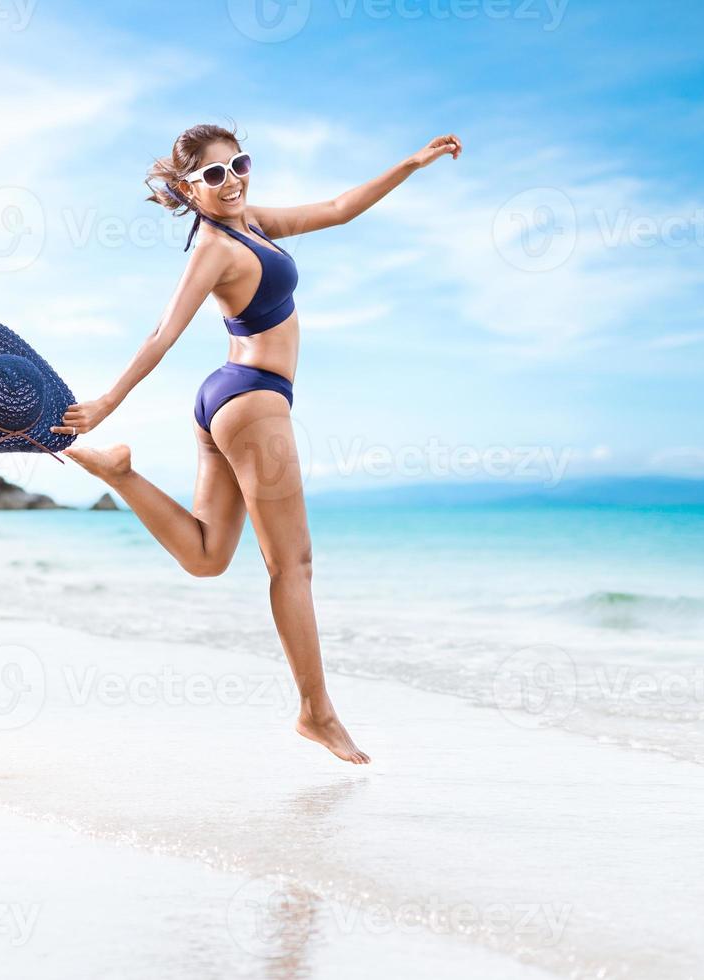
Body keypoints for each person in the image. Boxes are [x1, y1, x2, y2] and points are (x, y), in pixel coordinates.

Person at [51, 123, 462, 764]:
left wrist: (410, 163)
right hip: (254, 403)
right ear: (190, 189)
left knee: (209, 557)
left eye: (238, 164)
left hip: (229, 400)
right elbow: (164, 330)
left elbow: (336, 209)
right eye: (214, 175)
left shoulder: (254, 222)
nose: (233, 179)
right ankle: (315, 712)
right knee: (291, 566)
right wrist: (107, 401)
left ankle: (122, 475)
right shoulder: (212, 247)